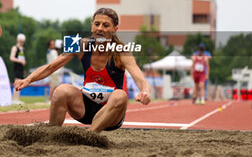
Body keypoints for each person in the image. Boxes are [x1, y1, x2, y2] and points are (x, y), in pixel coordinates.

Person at [15, 8, 151, 133]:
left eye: (105, 25)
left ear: (115, 29)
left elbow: (140, 78)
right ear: (91, 26)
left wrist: (145, 92)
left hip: (111, 115)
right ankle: (52, 134)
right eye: (97, 24)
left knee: (121, 95)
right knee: (61, 90)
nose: (100, 28)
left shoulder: (122, 51)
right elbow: (52, 66)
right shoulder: (80, 44)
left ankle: (90, 134)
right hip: (85, 108)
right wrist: (28, 79)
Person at [10, 33, 26, 105]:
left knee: (20, 83)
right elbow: (11, 58)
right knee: (16, 82)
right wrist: (20, 61)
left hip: (21, 68)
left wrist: (23, 68)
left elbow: (21, 58)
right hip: (16, 67)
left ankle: (16, 99)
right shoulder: (15, 48)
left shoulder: (22, 49)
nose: (21, 42)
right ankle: (14, 99)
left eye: (23, 41)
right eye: (20, 41)